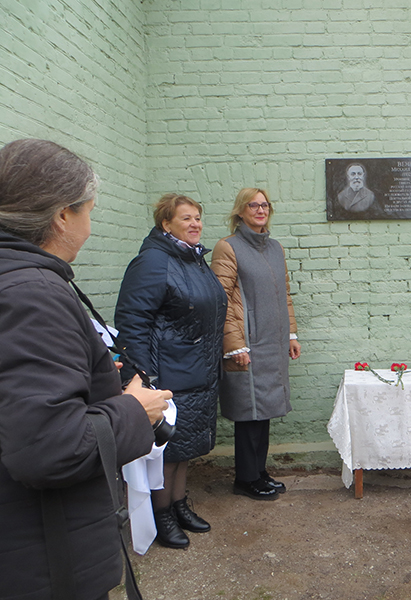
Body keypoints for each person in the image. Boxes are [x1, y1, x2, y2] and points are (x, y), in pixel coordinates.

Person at [0, 138, 171, 599]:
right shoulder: (32, 294)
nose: (90, 227)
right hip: (43, 561)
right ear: (62, 215)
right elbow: (49, 448)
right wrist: (134, 409)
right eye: (89, 212)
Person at [115, 193, 226, 548]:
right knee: (166, 450)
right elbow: (133, 322)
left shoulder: (193, 259)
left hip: (197, 370)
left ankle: (178, 505)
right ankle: (161, 514)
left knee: (184, 448)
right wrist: (142, 378)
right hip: (168, 374)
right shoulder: (153, 261)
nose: (195, 224)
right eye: (186, 218)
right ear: (166, 224)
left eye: (198, 217)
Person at [211, 188, 301, 500]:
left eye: (265, 205)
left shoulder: (275, 248)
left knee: (264, 411)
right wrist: (234, 345)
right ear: (241, 211)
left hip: (272, 343)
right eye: (253, 205)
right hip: (247, 345)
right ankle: (246, 479)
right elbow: (220, 299)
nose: (260, 210)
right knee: (249, 411)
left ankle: (259, 472)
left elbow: (284, 294)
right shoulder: (228, 247)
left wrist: (291, 335)